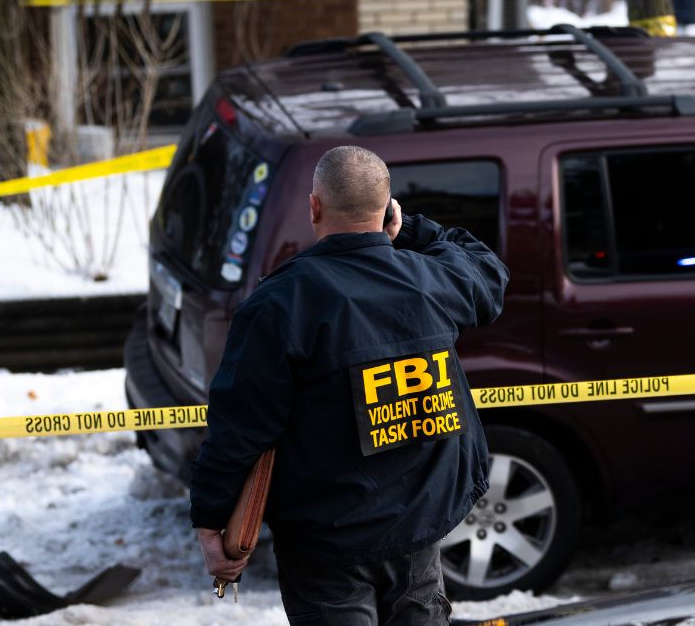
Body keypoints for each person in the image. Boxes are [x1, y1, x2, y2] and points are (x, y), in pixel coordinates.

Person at [189, 145, 509, 625]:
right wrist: (409, 228)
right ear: (386, 209)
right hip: (417, 530)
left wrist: (210, 521)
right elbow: (486, 268)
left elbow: (240, 428)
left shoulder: (280, 303)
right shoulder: (429, 280)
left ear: (314, 206)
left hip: (326, 546)